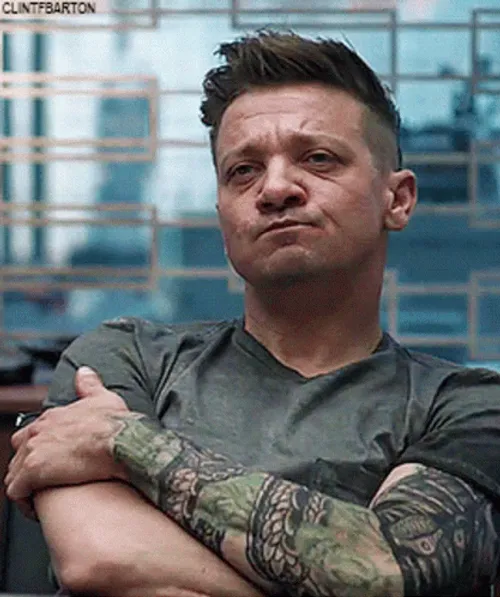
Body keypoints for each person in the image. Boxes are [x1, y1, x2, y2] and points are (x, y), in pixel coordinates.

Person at [5, 30, 500, 597]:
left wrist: (128, 443)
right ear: (222, 212)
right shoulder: (124, 360)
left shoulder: (467, 405)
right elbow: (101, 560)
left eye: (318, 159)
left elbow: (392, 570)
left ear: (399, 199)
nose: (276, 188)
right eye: (243, 170)